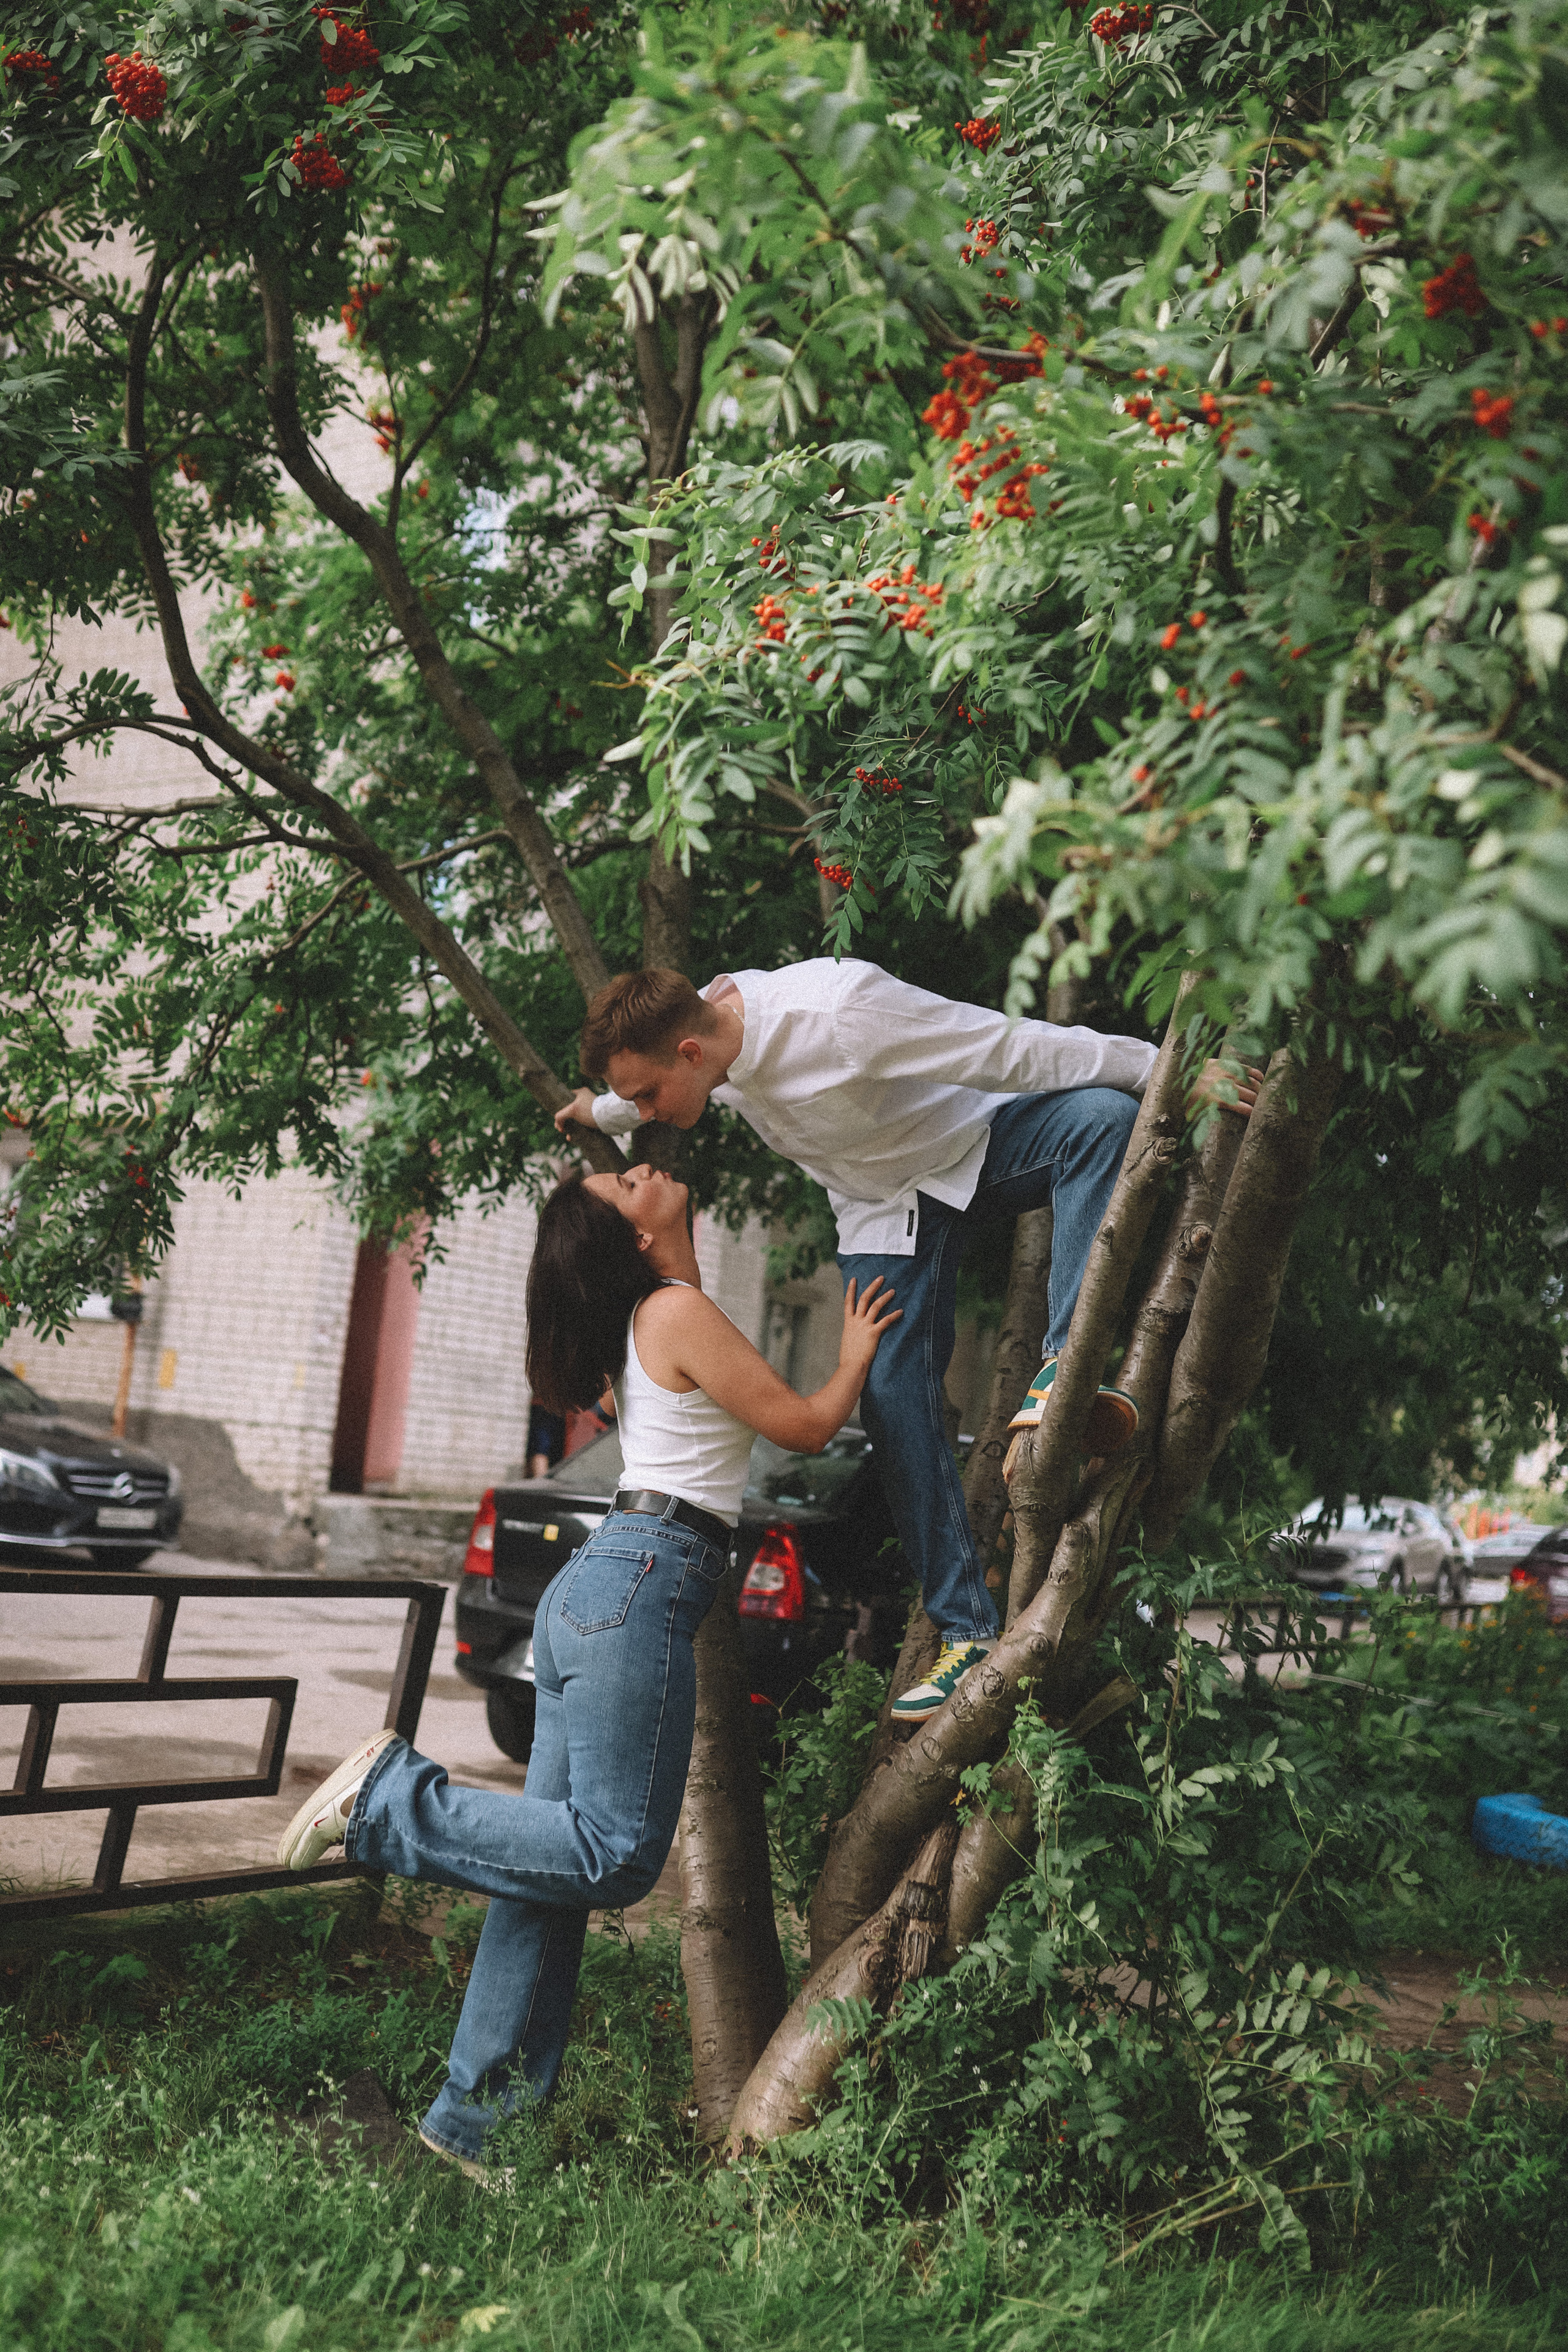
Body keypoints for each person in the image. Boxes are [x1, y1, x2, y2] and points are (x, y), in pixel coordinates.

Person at [277, 1159, 899, 2181]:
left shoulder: (652, 1316)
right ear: (629, 1239)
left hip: (605, 1582)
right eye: (622, 1181)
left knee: (548, 1876)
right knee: (613, 1855)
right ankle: (387, 1803)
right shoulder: (675, 1311)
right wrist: (855, 1354)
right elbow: (805, 1426)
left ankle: (474, 2130)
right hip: (642, 1582)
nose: (640, 1164)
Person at [554, 960, 1259, 1724]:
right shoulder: (698, 1041)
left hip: (972, 1145)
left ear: (691, 1054)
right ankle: (966, 1631)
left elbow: (1006, 1046)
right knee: (892, 1402)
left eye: (647, 1096)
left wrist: (1165, 1074)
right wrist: (599, 1111)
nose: (648, 1114)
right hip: (881, 1212)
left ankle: (1065, 1369)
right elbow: (640, 1087)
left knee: (1103, 1121)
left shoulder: (839, 1011)